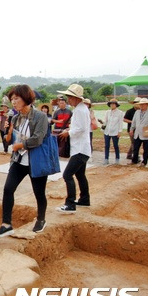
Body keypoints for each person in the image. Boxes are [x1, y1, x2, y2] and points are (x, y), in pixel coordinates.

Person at [0, 85, 49, 238]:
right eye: (12, 99)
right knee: (8, 189)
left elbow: (38, 138)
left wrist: (20, 145)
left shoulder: (40, 117)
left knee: (39, 193)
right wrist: (8, 134)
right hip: (19, 160)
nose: (13, 102)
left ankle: (41, 219)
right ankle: (6, 224)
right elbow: (9, 141)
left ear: (26, 98)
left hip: (36, 161)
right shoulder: (16, 118)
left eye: (16, 98)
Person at [56, 84, 91, 213]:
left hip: (80, 149)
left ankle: (70, 203)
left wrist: (68, 133)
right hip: (81, 148)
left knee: (67, 175)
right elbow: (80, 127)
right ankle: (84, 199)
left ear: (76, 98)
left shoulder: (80, 110)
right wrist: (70, 129)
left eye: (70, 97)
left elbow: (81, 128)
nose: (68, 99)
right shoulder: (80, 109)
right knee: (80, 174)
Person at [129, 98, 148, 167]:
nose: (141, 106)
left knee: (146, 149)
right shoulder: (137, 112)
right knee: (135, 148)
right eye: (140, 104)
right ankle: (134, 160)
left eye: (143, 104)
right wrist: (131, 129)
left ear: (147, 105)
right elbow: (134, 122)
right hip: (137, 133)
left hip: (146, 133)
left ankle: (144, 162)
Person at [102, 98, 124, 165]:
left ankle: (117, 159)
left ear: (116, 105)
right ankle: (106, 159)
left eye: (113, 104)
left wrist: (120, 131)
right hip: (107, 131)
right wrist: (103, 126)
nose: (112, 105)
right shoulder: (107, 112)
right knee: (107, 145)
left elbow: (120, 123)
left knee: (115, 145)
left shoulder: (120, 113)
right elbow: (105, 121)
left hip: (115, 131)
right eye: (111, 104)